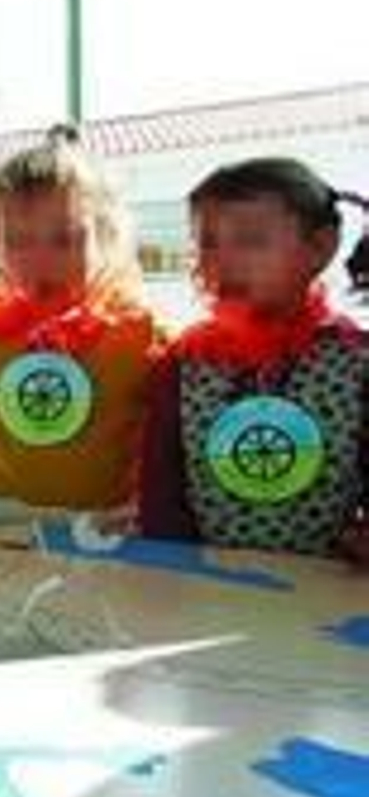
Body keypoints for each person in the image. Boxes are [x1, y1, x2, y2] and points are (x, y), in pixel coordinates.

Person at [0, 127, 163, 514]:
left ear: (107, 237)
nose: (42, 261)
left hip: (110, 537)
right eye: (18, 241)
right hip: (8, 533)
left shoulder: (142, 335)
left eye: (65, 239)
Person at [139, 159, 369, 561]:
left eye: (249, 240)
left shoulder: (355, 359)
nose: (222, 260)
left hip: (324, 590)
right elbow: (162, 491)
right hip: (209, 588)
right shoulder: (182, 362)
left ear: (321, 247)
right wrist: (172, 572)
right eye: (207, 242)